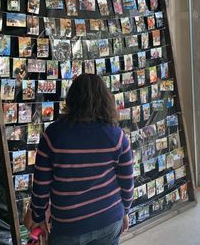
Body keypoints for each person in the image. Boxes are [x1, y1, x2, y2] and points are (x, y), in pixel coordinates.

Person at [29, 74, 134, 244]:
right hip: (109, 218)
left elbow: (41, 184)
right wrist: (125, 211)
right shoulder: (116, 136)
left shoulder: (53, 135)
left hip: (68, 225)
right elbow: (127, 181)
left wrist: (38, 215)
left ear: (71, 99)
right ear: (105, 100)